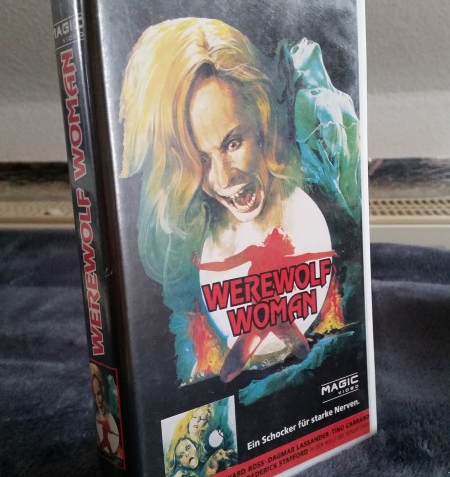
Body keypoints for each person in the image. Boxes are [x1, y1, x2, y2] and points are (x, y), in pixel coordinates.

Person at [121, 19, 360, 383]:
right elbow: (230, 265)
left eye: (233, 143)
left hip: (277, 310)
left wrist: (327, 257)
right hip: (258, 312)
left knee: (289, 338)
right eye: (201, 159)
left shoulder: (320, 147)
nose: (223, 178)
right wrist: (203, 264)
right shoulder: (195, 229)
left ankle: (290, 358)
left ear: (263, 121)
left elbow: (313, 259)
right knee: (249, 346)